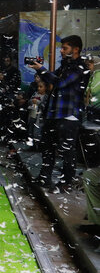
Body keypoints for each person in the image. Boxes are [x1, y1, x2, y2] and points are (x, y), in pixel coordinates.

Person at [29, 35, 88, 193]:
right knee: (47, 148)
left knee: (67, 151)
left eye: (65, 48)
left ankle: (66, 182)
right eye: (62, 48)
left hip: (69, 116)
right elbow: (52, 80)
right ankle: (44, 177)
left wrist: (42, 70)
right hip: (54, 114)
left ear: (76, 49)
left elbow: (60, 83)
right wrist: (39, 69)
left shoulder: (80, 68)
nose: (61, 51)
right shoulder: (65, 66)